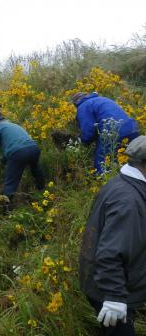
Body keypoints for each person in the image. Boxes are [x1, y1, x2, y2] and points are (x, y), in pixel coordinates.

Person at [79, 135, 146, 335]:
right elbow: (110, 251)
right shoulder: (128, 200)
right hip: (110, 291)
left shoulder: (122, 183)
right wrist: (114, 297)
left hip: (109, 282)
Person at [0, 117, 44, 204]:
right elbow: (16, 144)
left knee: (11, 181)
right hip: (33, 148)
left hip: (19, 153)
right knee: (36, 171)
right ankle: (42, 193)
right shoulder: (14, 125)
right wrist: (0, 161)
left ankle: (5, 207)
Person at [72, 92, 139, 174]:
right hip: (131, 127)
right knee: (135, 162)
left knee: (102, 161)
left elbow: (88, 130)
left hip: (113, 131)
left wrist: (82, 142)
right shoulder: (102, 98)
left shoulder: (83, 106)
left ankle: (103, 182)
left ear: (76, 103)